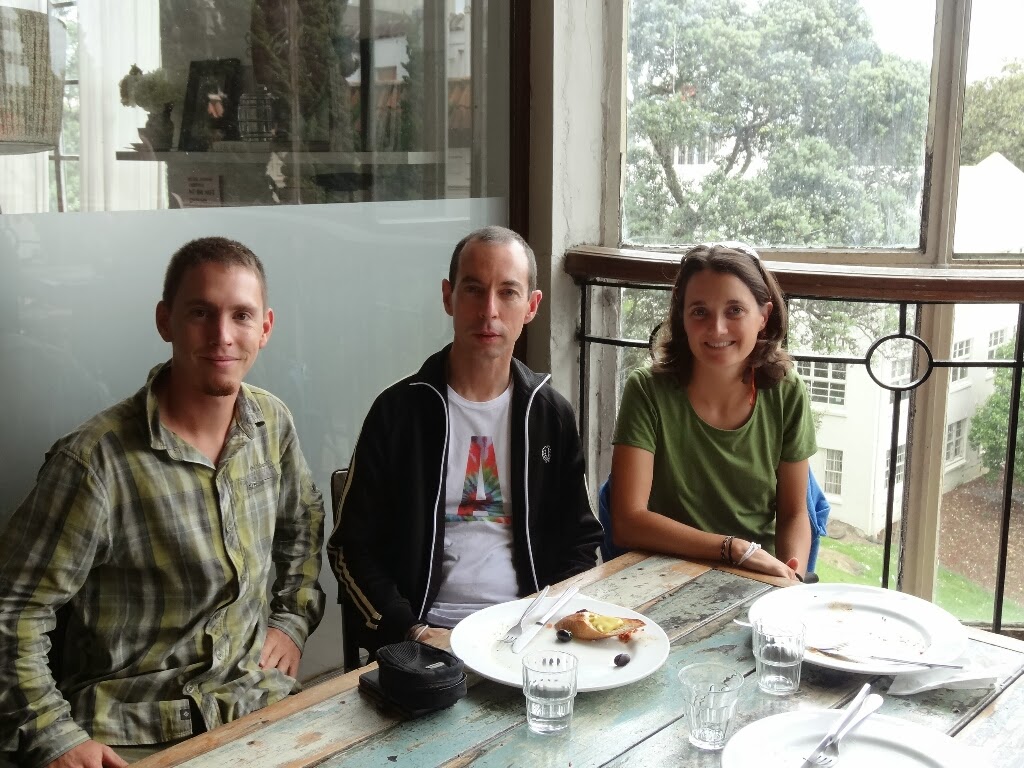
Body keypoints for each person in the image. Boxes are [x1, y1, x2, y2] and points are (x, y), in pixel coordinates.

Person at [0, 237, 326, 768]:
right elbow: (13, 611)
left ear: (265, 328)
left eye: (241, 315)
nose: (222, 335)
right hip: (130, 728)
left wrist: (291, 620)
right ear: (165, 321)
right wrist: (55, 737)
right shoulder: (95, 463)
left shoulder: (272, 424)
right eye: (200, 313)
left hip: (250, 700)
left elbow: (303, 522)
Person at [328, 226, 603, 651]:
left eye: (508, 293)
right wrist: (410, 630)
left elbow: (580, 540)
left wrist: (547, 620)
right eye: (473, 290)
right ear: (448, 297)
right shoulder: (397, 413)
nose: (488, 311)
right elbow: (351, 548)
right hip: (426, 635)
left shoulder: (551, 416)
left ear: (531, 306)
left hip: (529, 632)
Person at [610, 242, 815, 581]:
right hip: (663, 573)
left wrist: (790, 577)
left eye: (735, 310)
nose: (717, 328)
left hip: (757, 577)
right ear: (682, 318)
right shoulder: (647, 389)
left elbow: (794, 513)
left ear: (763, 317)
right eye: (699, 312)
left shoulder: (786, 391)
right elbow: (628, 521)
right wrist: (733, 549)